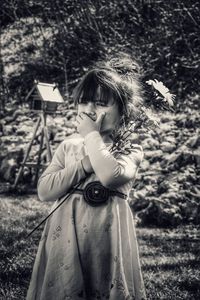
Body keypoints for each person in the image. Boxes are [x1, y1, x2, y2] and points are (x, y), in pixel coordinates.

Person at [26, 54, 146, 300]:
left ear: (123, 111)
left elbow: (110, 176)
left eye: (101, 104)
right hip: (67, 237)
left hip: (107, 239)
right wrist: (83, 164)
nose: (90, 111)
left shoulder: (129, 150)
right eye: (84, 102)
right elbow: (45, 190)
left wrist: (92, 138)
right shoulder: (69, 146)